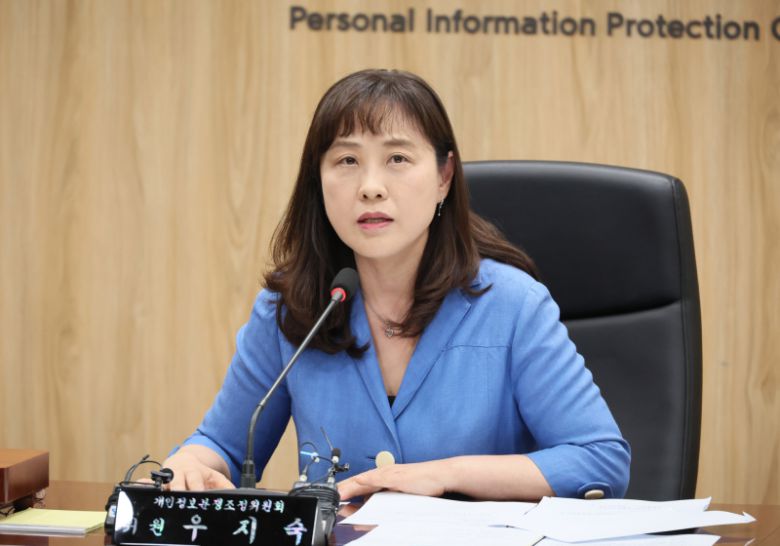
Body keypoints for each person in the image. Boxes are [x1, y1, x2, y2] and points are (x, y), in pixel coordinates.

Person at [163, 68, 631, 501]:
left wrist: (446, 474)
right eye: (347, 160)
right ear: (318, 180)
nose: (371, 186)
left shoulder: (513, 304)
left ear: (444, 176)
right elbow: (223, 444)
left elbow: (599, 460)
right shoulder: (292, 307)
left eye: (398, 158)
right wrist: (190, 464)